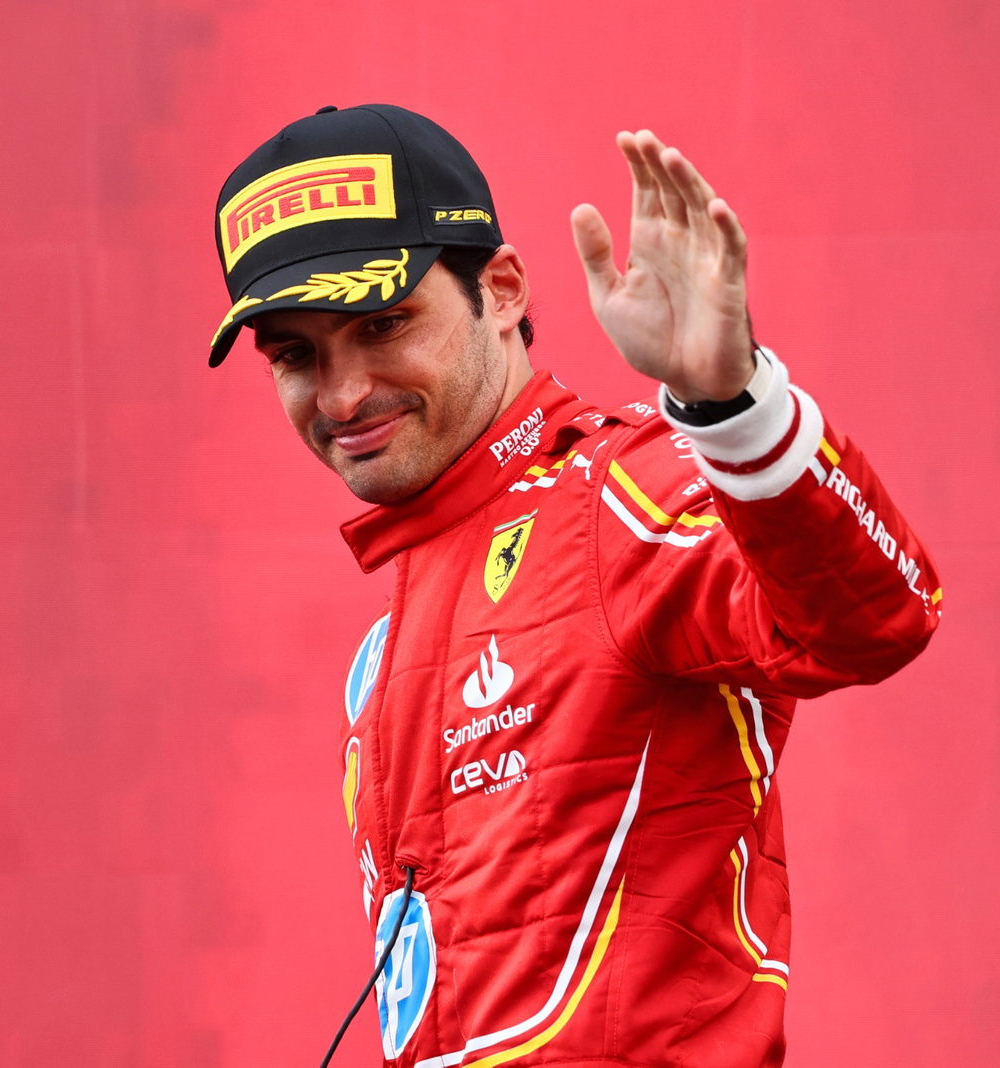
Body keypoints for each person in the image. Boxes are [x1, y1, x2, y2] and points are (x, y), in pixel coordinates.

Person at [206, 104, 941, 1068]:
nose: (343, 396)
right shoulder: (384, 649)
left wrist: (735, 410)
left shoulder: (622, 494)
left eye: (383, 323)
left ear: (502, 290)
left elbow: (876, 619)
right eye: (296, 356)